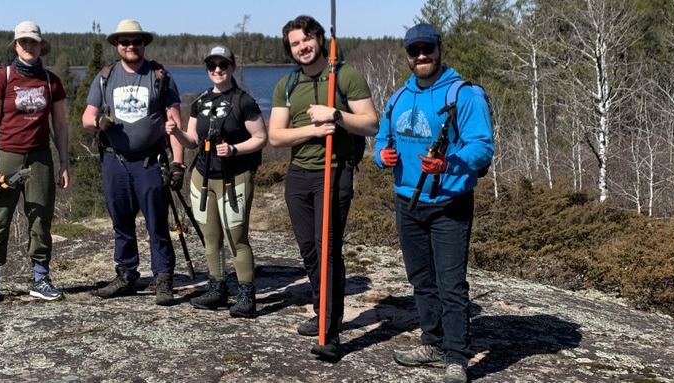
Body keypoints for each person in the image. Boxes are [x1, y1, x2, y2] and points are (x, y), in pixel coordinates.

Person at [373, 23, 493, 383]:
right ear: (408, 56)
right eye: (415, 51)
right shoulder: (398, 98)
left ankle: (456, 357)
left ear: (440, 50)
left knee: (451, 283)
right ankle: (432, 343)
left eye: (428, 49)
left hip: (449, 202)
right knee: (421, 279)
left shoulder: (464, 95)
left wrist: (448, 164)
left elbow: (482, 145)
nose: (421, 56)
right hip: (407, 200)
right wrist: (382, 156)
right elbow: (382, 138)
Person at [268, 15, 377, 360]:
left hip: (335, 171)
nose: (302, 48)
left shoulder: (344, 75)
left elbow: (371, 123)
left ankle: (329, 332)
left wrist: (336, 115)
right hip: (299, 175)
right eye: (295, 44)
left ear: (319, 38)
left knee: (327, 249)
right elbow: (276, 135)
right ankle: (322, 312)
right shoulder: (287, 83)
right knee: (310, 252)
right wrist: (314, 131)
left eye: (306, 40)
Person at [82, 19, 184, 306]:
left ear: (144, 45)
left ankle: (163, 278)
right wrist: (99, 121)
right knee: (121, 223)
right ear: (117, 45)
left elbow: (174, 123)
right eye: (125, 42)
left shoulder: (160, 76)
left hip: (151, 161)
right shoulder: (106, 76)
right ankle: (126, 275)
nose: (130, 46)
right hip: (116, 162)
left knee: (156, 223)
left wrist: (178, 164)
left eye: (136, 41)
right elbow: (86, 118)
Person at [165, 46, 267, 318]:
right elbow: (192, 141)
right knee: (211, 237)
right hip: (202, 176)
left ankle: (246, 294)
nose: (218, 70)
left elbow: (261, 138)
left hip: (235, 177)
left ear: (232, 67)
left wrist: (235, 150)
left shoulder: (244, 101)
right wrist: (175, 131)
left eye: (223, 65)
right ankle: (216, 288)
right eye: (212, 66)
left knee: (236, 237)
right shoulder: (200, 101)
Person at [0, 21, 71, 307]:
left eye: (34, 42)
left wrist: (64, 161)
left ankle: (40, 279)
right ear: (15, 46)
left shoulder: (51, 81)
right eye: (23, 42)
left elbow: (62, 125)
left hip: (40, 157)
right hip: (7, 156)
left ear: (42, 46)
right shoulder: (1, 78)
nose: (29, 47)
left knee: (40, 217)